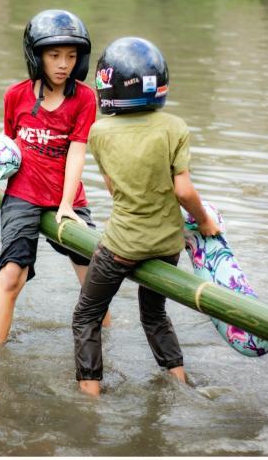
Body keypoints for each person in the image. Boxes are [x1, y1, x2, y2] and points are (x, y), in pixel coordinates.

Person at [72, 37, 220, 396]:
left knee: (86, 316)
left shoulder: (99, 132)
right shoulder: (175, 127)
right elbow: (183, 191)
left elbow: (112, 188)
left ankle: (90, 398)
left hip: (123, 246)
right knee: (154, 315)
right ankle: (179, 382)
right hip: (167, 245)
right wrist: (204, 222)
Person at [0, 9, 110, 344]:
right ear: (36, 55)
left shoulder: (84, 98)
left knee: (95, 279)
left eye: (71, 56)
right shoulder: (15, 95)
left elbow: (77, 151)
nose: (63, 64)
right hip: (22, 194)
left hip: (67, 198)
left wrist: (67, 204)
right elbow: (10, 147)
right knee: (11, 277)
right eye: (54, 55)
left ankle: (108, 340)